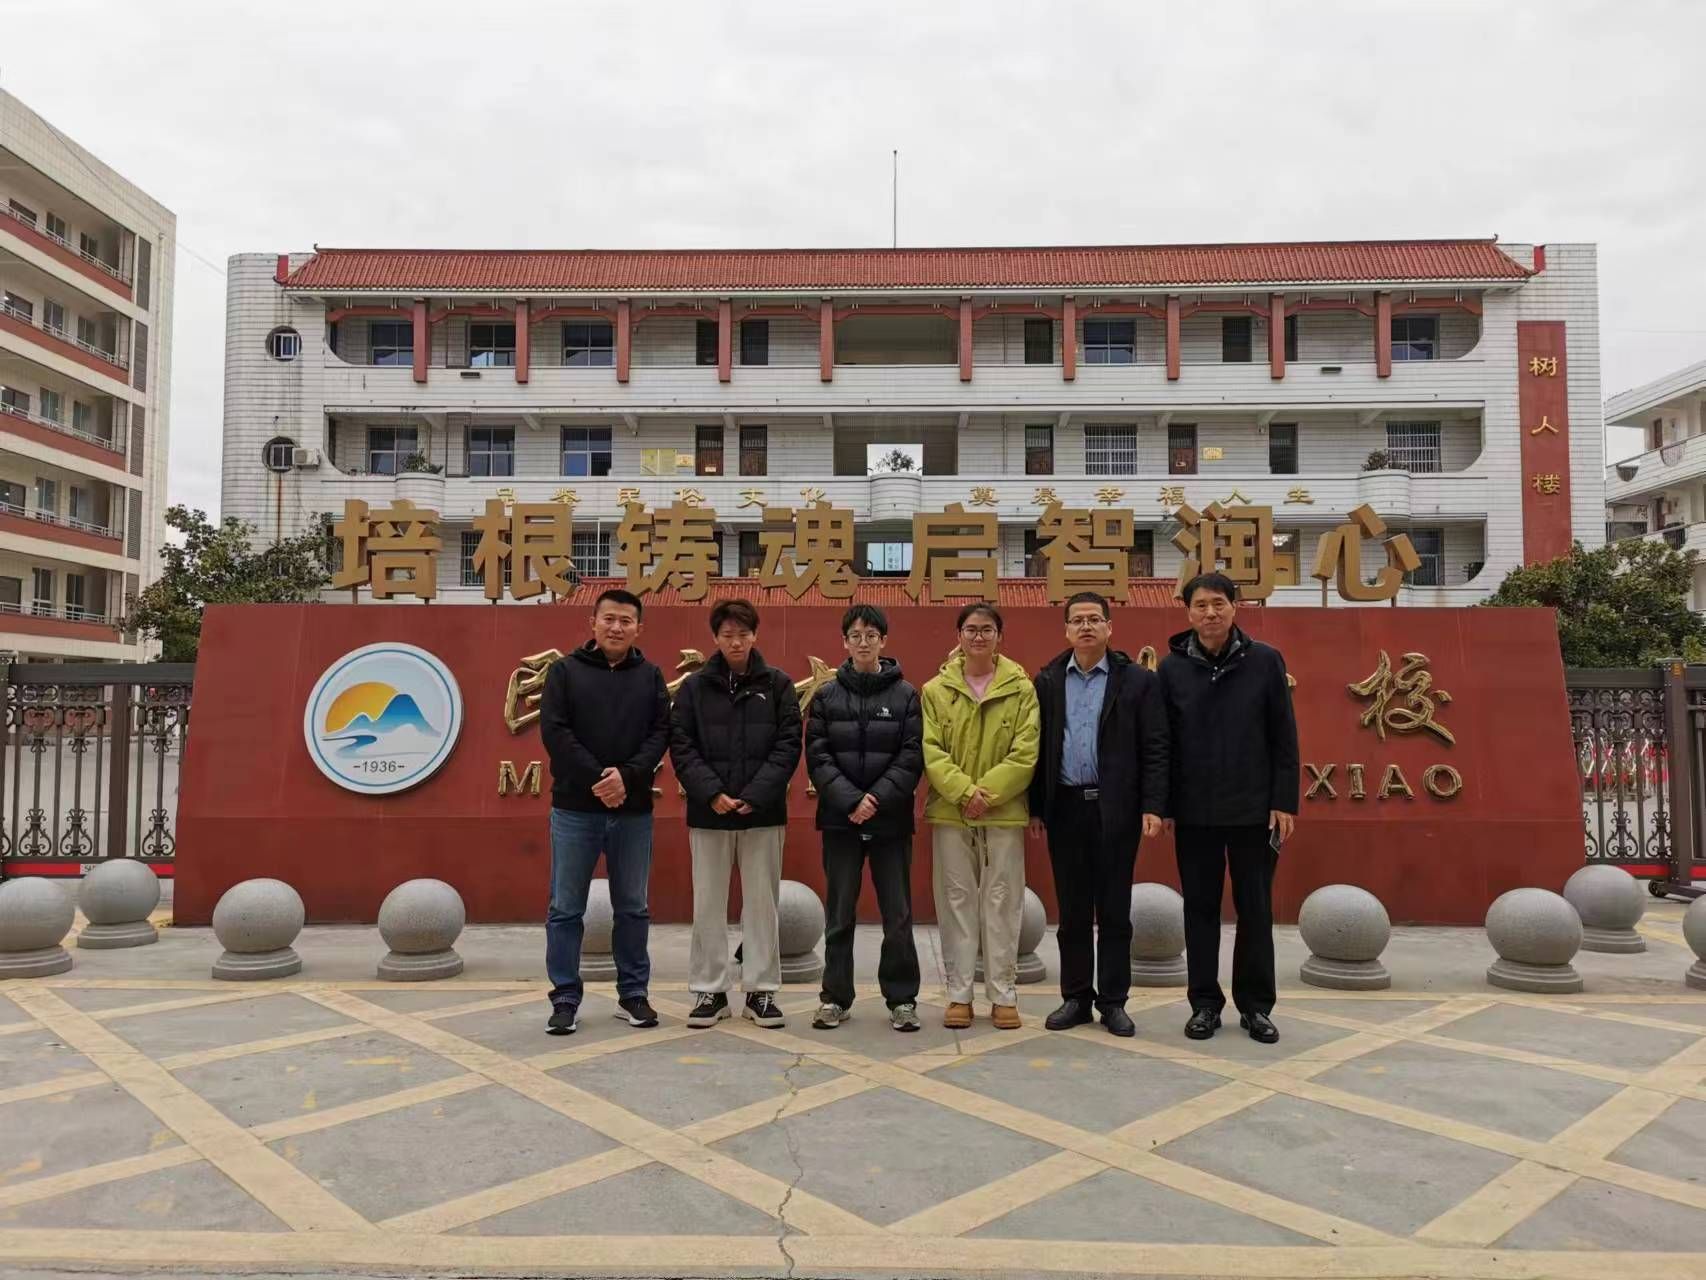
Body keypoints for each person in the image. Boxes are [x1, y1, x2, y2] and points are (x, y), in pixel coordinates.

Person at [1157, 572, 1299, 1045]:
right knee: (1199, 910)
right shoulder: (1171, 669)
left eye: (1218, 603)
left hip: (1254, 812)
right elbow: (1163, 743)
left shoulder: (1264, 661)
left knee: (1255, 910)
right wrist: (1164, 804)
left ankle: (1256, 1007)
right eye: (1200, 605)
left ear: (1235, 607)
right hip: (1194, 812)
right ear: (1188, 612)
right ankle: (1204, 1004)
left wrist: (1283, 800)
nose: (1210, 613)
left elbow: (1284, 736)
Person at [1029, 591, 1168, 1038]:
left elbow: (1155, 746)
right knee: (1071, 910)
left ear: (1110, 627)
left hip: (1116, 808)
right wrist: (1036, 807)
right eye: (1078, 620)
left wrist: (1153, 805)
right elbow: (1036, 748)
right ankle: (1075, 997)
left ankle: (1113, 1001)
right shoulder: (1048, 681)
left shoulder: (1137, 681)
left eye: (1094, 619)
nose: (1086, 626)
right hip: (1065, 807)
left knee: (1114, 909)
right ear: (1066, 630)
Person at [539, 588, 671, 1035]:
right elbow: (556, 732)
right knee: (565, 908)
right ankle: (565, 998)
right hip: (574, 809)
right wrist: (601, 778)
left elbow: (660, 734)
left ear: (639, 628)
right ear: (592, 623)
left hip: (633, 811)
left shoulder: (650, 676)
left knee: (632, 907)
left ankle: (633, 994)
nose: (616, 627)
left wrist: (626, 778)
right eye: (609, 619)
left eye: (625, 621)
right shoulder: (565, 671)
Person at [670, 598, 801, 1029]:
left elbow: (788, 746)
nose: (736, 642)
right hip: (709, 813)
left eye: (743, 634)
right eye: (727, 635)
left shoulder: (778, 684)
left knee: (762, 905)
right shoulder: (693, 688)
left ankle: (761, 991)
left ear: (755, 635)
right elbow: (682, 746)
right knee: (708, 904)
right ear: (715, 638)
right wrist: (712, 793)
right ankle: (710, 991)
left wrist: (755, 795)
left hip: (762, 813)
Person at [805, 604, 925, 1032]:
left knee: (898, 915)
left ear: (883, 641)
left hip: (890, 822)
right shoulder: (826, 696)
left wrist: (875, 799)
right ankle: (835, 998)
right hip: (841, 821)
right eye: (855, 635)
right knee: (839, 915)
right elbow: (818, 757)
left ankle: (902, 999)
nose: (863, 642)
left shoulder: (906, 695)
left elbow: (911, 756)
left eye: (871, 635)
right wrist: (852, 801)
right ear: (844, 642)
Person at [922, 602, 1040, 1031]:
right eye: (971, 629)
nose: (978, 636)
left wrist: (985, 795)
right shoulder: (935, 690)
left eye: (986, 629)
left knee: (1003, 901)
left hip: (1003, 813)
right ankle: (959, 994)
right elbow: (931, 750)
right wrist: (963, 793)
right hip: (951, 812)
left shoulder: (1021, 689)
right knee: (956, 901)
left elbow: (1026, 752)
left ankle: (1003, 995)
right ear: (959, 636)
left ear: (999, 637)